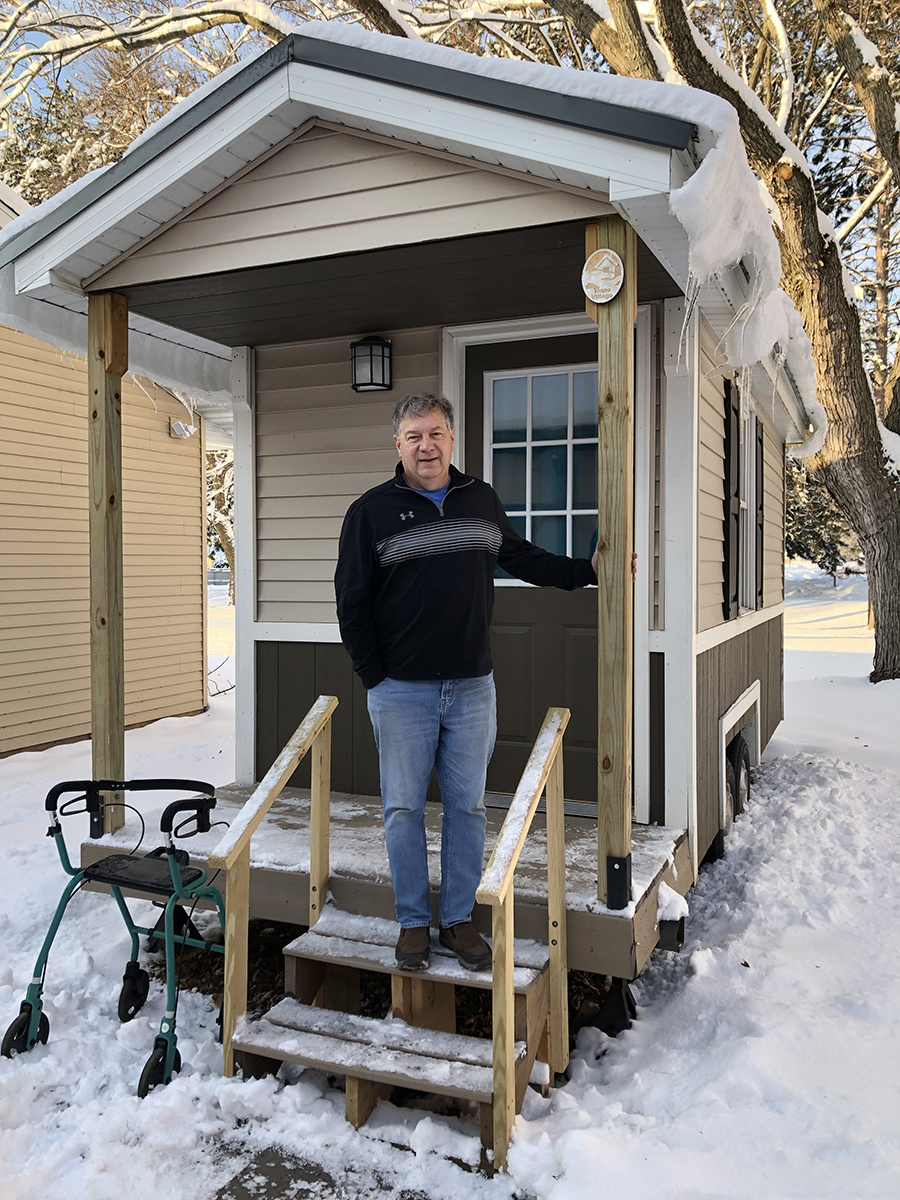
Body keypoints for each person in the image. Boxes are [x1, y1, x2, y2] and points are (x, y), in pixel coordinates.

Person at [334, 393, 600, 972]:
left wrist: (587, 571)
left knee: (468, 808)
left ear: (452, 439)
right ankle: (411, 922)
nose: (425, 445)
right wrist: (374, 678)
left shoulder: (479, 500)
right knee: (403, 808)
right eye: (413, 436)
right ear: (397, 445)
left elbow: (521, 557)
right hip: (401, 690)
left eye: (435, 433)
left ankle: (456, 919)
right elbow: (351, 604)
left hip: (473, 687)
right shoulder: (371, 512)